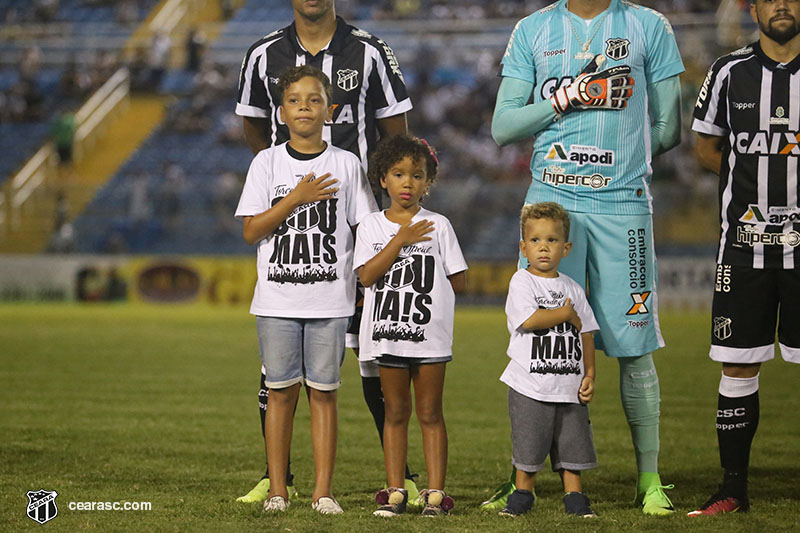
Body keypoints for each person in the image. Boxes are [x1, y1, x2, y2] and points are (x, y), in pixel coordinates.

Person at [486, 0, 684, 515]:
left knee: (635, 346)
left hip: (622, 206)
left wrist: (618, 166)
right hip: (553, 208)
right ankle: (523, 481)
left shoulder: (649, 25)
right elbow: (503, 127)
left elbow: (669, 130)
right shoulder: (532, 29)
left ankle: (649, 479)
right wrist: (568, 99)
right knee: (542, 340)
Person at [235, 0, 415, 504]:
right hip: (287, 244)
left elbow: (395, 137)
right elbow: (253, 127)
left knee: (373, 355)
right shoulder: (262, 54)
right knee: (279, 371)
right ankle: (279, 479)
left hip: (353, 233)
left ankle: (401, 473)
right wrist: (282, 176)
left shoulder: (371, 51)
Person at [234, 65, 378, 514]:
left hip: (330, 299)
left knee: (324, 393)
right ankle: (278, 489)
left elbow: (365, 228)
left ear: (330, 111)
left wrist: (363, 285)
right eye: (295, 100)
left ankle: (323, 492)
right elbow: (251, 231)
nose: (304, 108)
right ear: (280, 112)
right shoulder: (266, 163)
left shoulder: (346, 164)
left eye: (314, 100)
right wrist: (296, 198)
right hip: (276, 299)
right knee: (280, 392)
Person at [688, 0, 800, 516]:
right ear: (753, 8)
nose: (782, 5)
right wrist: (751, 193)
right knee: (737, 366)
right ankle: (733, 488)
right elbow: (708, 148)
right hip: (744, 247)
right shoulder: (729, 70)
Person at [354, 135, 467, 517]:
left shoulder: (439, 225)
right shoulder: (371, 226)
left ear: (427, 182)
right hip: (388, 336)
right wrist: (401, 240)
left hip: (429, 337)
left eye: (417, 176)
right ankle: (396, 492)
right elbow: (367, 276)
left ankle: (435, 494)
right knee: (395, 413)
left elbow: (460, 280)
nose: (407, 183)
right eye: (398, 174)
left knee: (431, 413)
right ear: (382, 179)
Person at [498, 202, 598, 518]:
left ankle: (575, 497)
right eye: (536, 241)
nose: (544, 248)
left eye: (552, 241)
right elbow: (528, 320)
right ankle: (523, 494)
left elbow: (587, 333)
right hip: (530, 383)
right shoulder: (522, 282)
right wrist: (564, 313)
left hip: (568, 384)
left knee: (572, 444)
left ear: (566, 248)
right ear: (523, 247)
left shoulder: (573, 288)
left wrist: (590, 373)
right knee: (530, 443)